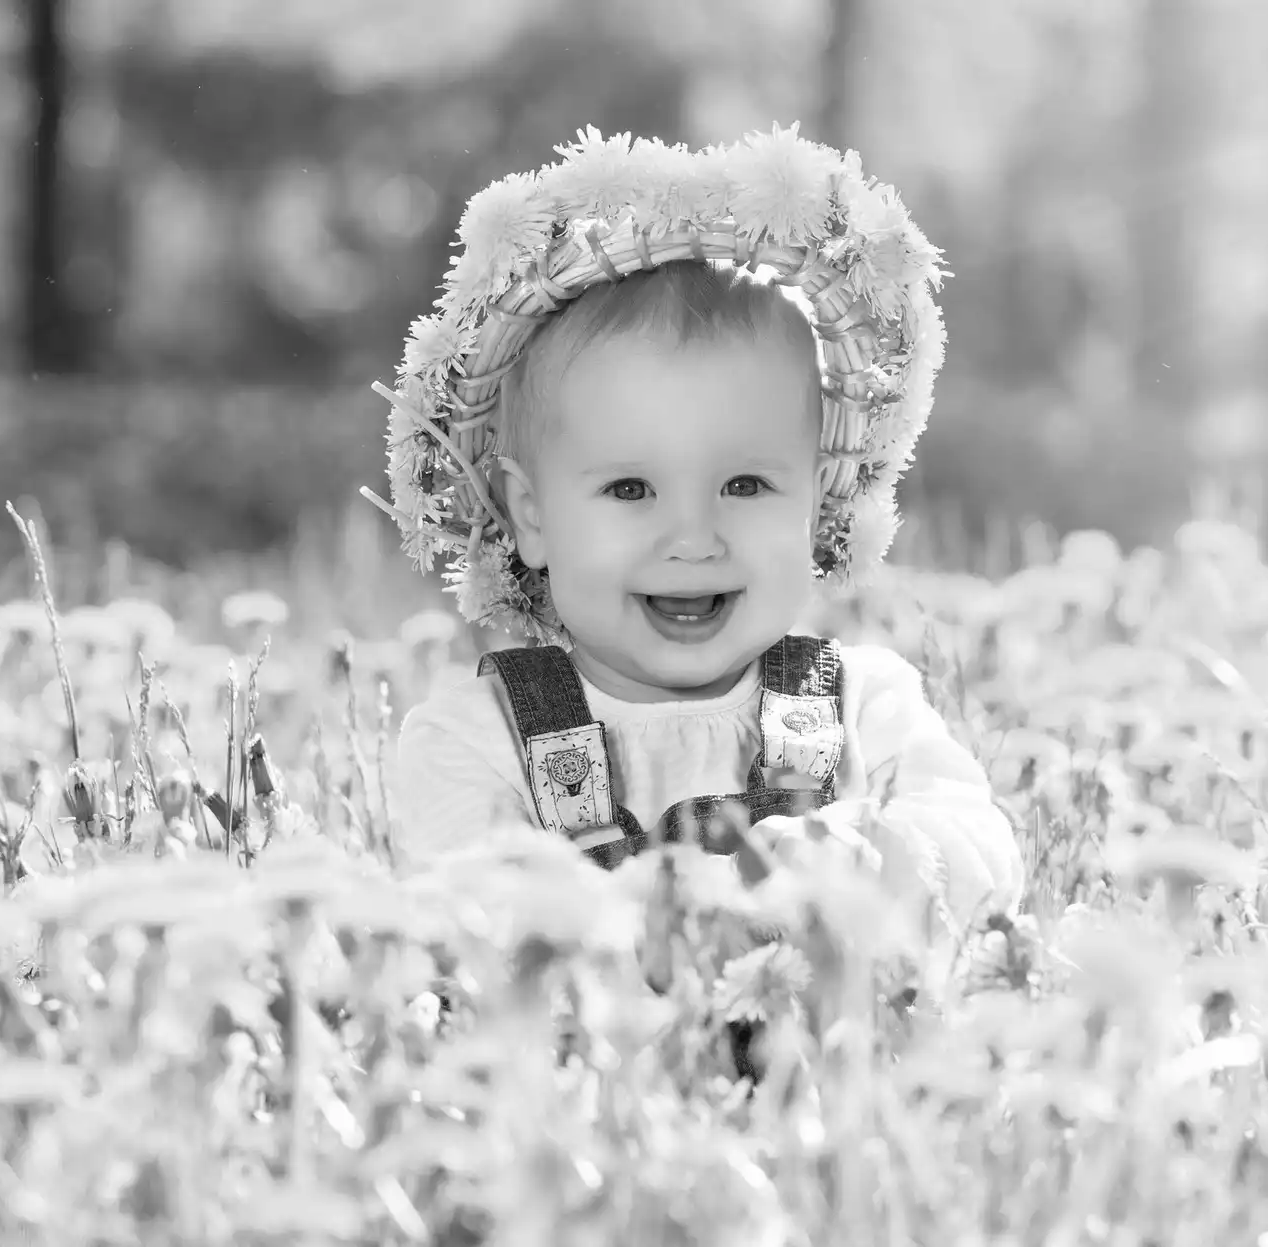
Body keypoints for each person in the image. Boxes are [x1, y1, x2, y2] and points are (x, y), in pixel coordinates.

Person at [372, 124, 1024, 935]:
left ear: (816, 498)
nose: (692, 537)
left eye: (745, 484)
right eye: (630, 488)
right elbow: (459, 912)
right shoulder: (479, 741)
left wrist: (858, 852)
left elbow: (983, 853)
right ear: (532, 516)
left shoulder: (862, 708)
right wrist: (643, 919)